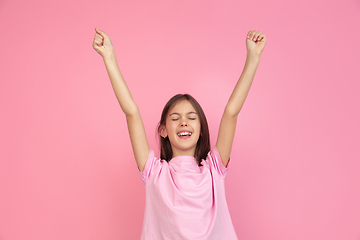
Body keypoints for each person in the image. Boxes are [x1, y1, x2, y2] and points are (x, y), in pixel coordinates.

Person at [93, 28, 266, 240]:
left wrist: (253, 58)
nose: (183, 122)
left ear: (201, 130)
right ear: (163, 130)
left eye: (192, 118)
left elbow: (231, 112)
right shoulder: (154, 173)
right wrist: (109, 58)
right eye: (175, 118)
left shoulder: (214, 170)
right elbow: (131, 112)